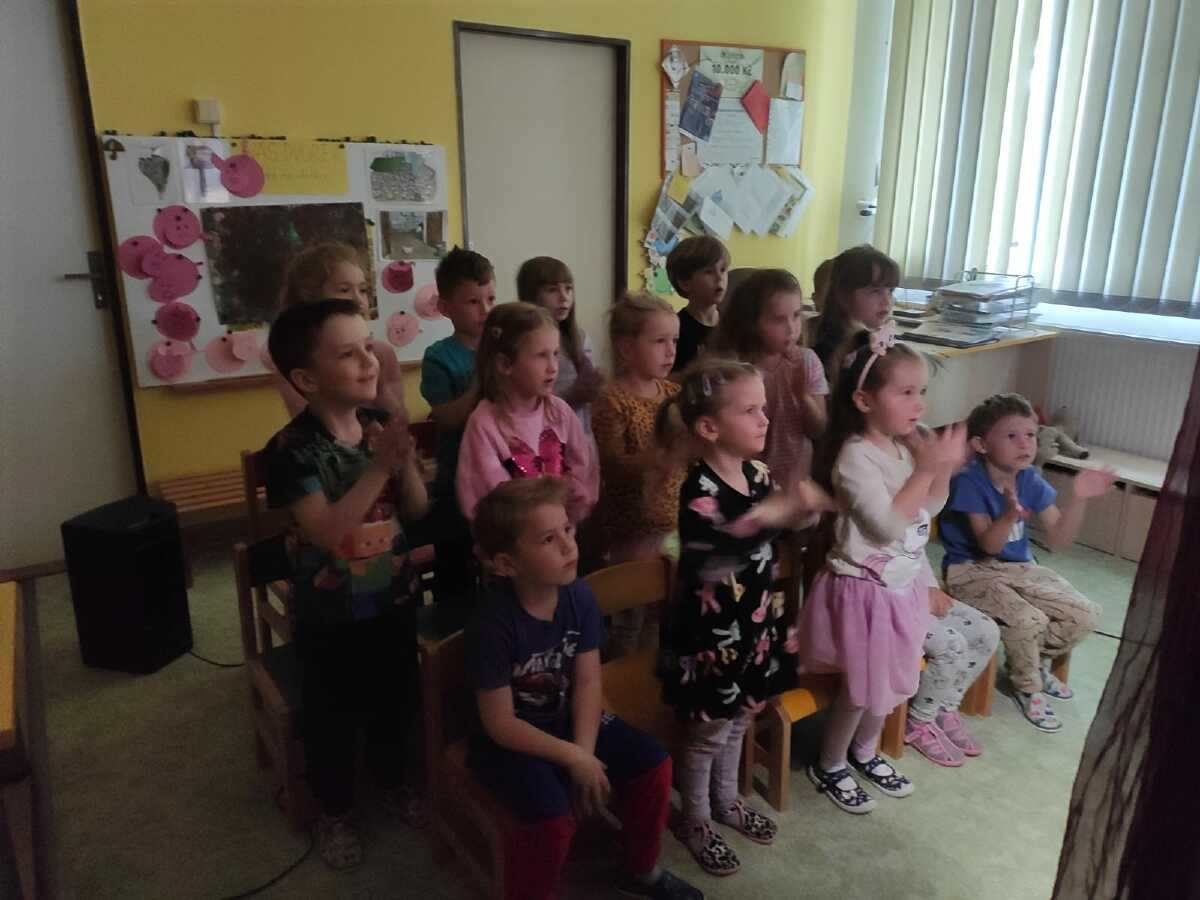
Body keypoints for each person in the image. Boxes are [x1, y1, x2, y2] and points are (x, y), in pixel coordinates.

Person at [469, 478, 702, 900]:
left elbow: (589, 681)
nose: (568, 545)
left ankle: (640, 870)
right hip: (511, 741)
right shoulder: (494, 622)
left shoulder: (578, 596)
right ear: (506, 563)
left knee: (654, 764)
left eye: (568, 529)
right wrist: (575, 757)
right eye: (548, 539)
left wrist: (585, 751)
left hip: (568, 719)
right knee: (552, 817)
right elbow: (500, 724)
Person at [262, 299, 429, 869]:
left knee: (394, 699)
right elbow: (328, 533)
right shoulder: (291, 450)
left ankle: (393, 780)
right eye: (348, 354)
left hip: (394, 596)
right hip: (329, 613)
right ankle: (334, 810)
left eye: (368, 346)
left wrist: (404, 461)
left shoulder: (377, 425)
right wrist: (381, 467)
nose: (369, 360)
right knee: (330, 716)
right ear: (307, 379)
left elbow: (417, 508)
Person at [658, 359, 832, 876]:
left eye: (764, 408)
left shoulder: (758, 474)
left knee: (741, 717)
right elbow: (722, 548)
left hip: (754, 625)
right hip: (712, 637)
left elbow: (776, 530)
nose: (765, 419)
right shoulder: (699, 490)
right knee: (707, 731)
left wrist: (802, 510)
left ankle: (727, 799)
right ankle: (694, 819)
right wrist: (775, 511)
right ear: (709, 427)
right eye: (750, 410)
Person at [796, 324, 970, 810]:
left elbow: (927, 509)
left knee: (892, 682)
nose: (920, 404)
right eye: (906, 392)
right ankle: (830, 763)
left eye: (922, 392)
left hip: (902, 589)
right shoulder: (855, 457)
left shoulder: (902, 448)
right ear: (865, 400)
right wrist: (925, 469)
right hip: (863, 593)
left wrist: (940, 470)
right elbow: (887, 525)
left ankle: (865, 752)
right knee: (859, 690)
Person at [938, 393, 1111, 732]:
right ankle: (1028, 686)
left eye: (1030, 434)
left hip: (1019, 568)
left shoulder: (1029, 478)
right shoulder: (969, 480)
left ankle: (1031, 662)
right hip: (970, 571)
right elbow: (988, 546)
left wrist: (1078, 498)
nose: (1025, 444)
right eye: (1012, 436)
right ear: (981, 444)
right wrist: (1008, 516)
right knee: (1028, 620)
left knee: (1085, 614)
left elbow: (1059, 540)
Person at [591, 292, 683, 655]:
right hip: (632, 527)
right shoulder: (612, 399)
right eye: (659, 341)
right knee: (629, 618)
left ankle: (651, 678)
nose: (670, 351)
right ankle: (621, 679)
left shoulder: (674, 394)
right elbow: (611, 465)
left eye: (674, 340)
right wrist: (652, 460)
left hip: (674, 523)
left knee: (663, 615)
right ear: (627, 349)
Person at [456, 302, 598, 523]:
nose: (553, 366)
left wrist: (574, 508)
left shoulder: (560, 412)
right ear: (505, 364)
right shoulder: (484, 424)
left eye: (555, 354)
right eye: (541, 355)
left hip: (562, 529)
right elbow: (486, 498)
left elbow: (583, 467)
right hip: (515, 538)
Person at [418, 247, 496, 624]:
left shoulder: (506, 347)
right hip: (456, 481)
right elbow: (447, 419)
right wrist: (482, 380)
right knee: (455, 575)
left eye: (491, 299)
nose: (485, 310)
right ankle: (450, 637)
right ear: (445, 307)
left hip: (501, 475)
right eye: (472, 302)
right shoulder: (439, 357)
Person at [712, 268, 828, 494]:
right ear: (750, 322)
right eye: (778, 319)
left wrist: (803, 396)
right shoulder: (733, 369)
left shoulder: (807, 361)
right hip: (745, 483)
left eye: (796, 315)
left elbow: (818, 428)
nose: (792, 328)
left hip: (795, 483)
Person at [272, 241, 407, 420]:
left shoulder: (381, 353)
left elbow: (398, 418)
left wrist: (386, 395)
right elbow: (320, 423)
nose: (358, 300)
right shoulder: (299, 359)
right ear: (310, 297)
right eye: (344, 290)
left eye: (363, 290)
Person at [516, 256, 604, 434]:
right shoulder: (519, 340)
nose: (564, 297)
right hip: (541, 436)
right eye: (552, 290)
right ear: (530, 295)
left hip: (577, 433)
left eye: (568, 288)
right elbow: (524, 406)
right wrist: (574, 394)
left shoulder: (580, 338)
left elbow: (589, 396)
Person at [809, 244, 898, 379]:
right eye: (875, 291)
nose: (887, 301)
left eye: (890, 291)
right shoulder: (823, 349)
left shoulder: (874, 340)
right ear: (843, 296)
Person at [666, 236, 730, 373]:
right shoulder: (676, 329)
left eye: (723, 270)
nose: (720, 278)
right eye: (709, 272)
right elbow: (665, 379)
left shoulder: (733, 323)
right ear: (685, 283)